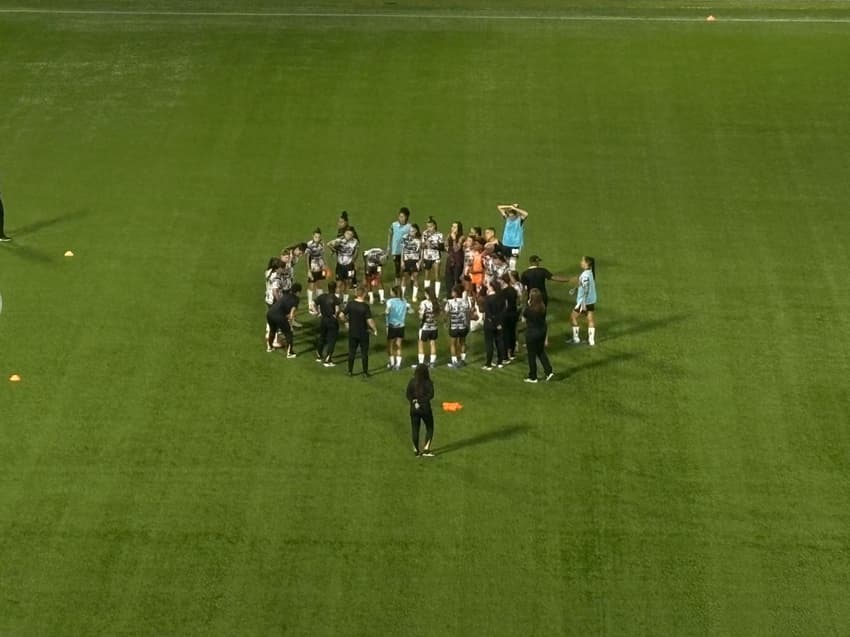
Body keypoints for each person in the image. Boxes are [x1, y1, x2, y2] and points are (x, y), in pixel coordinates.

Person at [343, 287, 378, 377]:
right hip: (363, 333)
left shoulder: (350, 304)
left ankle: (350, 371)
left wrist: (346, 322)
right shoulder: (365, 306)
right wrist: (374, 329)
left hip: (352, 332)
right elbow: (369, 320)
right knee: (364, 353)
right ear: (363, 294)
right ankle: (365, 372)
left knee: (352, 352)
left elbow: (342, 314)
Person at [523, 288, 555, 383]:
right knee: (540, 352)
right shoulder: (543, 307)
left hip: (532, 333)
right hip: (542, 331)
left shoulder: (529, 310)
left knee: (531, 355)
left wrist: (527, 304)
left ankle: (533, 376)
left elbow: (524, 318)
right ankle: (549, 371)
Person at [406, 364, 435, 457]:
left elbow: (408, 394)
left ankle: (416, 450)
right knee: (430, 427)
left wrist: (414, 401)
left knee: (415, 429)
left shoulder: (412, 382)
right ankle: (426, 449)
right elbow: (431, 395)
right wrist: (421, 401)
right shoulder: (428, 382)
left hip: (413, 409)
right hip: (425, 409)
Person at [266, 283, 302, 356]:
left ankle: (269, 347)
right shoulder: (296, 299)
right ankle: (290, 353)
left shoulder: (285, 294)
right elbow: (292, 313)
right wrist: (291, 324)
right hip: (279, 316)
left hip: (270, 313)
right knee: (289, 333)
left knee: (273, 330)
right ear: (298, 292)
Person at [570, 256, 598, 346]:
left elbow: (586, 287)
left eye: (582, 261)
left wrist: (583, 302)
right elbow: (583, 284)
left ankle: (576, 338)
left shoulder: (585, 275)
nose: (581, 262)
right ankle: (591, 340)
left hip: (583, 301)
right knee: (590, 319)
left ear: (587, 263)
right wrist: (575, 288)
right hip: (591, 300)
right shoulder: (590, 273)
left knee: (573, 317)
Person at [445, 283, 475, 368]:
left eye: (452, 291)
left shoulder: (449, 302)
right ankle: (462, 360)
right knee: (463, 343)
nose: (451, 293)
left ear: (455, 292)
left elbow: (446, 313)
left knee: (453, 344)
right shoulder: (465, 302)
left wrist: (446, 321)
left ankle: (454, 362)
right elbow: (468, 313)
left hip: (454, 326)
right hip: (463, 326)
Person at [314, 281, 342, 367]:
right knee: (331, 340)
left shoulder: (322, 296)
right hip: (332, 321)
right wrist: (336, 316)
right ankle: (328, 360)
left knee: (322, 337)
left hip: (323, 319)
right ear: (335, 288)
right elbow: (337, 310)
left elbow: (313, 303)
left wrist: (317, 312)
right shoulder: (335, 298)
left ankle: (319, 355)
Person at [480, 280, 507, 370]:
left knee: (489, 344)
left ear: (492, 287)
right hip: (500, 323)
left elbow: (488, 313)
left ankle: (488, 364)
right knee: (499, 342)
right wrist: (499, 323)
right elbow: (503, 311)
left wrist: (494, 322)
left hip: (489, 324)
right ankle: (500, 362)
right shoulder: (502, 298)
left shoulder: (487, 299)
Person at [327, 227, 359, 303]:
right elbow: (328, 244)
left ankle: (345, 300)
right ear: (344, 234)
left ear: (353, 235)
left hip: (349, 265)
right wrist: (335, 250)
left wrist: (353, 261)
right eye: (347, 233)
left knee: (348, 283)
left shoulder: (355, 242)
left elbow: (356, 252)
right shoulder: (340, 240)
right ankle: (336, 300)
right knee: (339, 283)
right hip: (340, 265)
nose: (348, 235)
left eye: (350, 234)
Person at [385, 285, 412, 371]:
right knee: (399, 345)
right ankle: (398, 365)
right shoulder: (404, 301)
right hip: (401, 326)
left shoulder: (390, 301)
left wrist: (387, 312)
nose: (390, 292)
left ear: (394, 292)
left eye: (391, 291)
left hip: (392, 326)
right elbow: (410, 309)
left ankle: (392, 363)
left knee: (390, 345)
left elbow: (387, 310)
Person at [497, 203, 529, 270]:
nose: (511, 216)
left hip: (515, 245)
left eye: (512, 215)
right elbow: (499, 207)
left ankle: (512, 272)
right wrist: (510, 206)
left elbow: (526, 213)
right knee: (507, 260)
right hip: (507, 244)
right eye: (510, 214)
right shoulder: (507, 218)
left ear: (516, 214)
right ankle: (508, 272)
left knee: (513, 259)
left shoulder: (520, 220)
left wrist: (514, 208)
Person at [420, 216, 445, 299]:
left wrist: (433, 246)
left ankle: (436, 295)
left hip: (436, 257)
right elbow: (422, 246)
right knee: (427, 276)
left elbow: (441, 247)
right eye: (427, 226)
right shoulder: (424, 234)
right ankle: (426, 294)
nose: (429, 228)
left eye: (430, 226)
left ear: (434, 226)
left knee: (437, 276)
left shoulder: (439, 235)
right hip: (427, 257)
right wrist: (425, 244)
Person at [387, 207, 411, 288]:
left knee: (405, 268)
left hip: (405, 251)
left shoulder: (409, 227)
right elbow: (390, 234)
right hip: (396, 250)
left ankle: (406, 283)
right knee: (397, 268)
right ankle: (397, 285)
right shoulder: (394, 224)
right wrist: (388, 246)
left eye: (402, 216)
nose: (400, 218)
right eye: (399, 216)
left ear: (407, 217)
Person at [416, 288, 439, 368]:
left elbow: (421, 316)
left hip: (425, 327)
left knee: (421, 343)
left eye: (425, 294)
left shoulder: (424, 303)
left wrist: (419, 314)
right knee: (432, 343)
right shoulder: (436, 302)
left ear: (428, 294)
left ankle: (421, 363)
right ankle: (432, 363)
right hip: (434, 327)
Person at [304, 228, 327, 311]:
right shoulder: (309, 244)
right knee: (311, 285)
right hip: (313, 267)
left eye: (318, 237)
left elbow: (322, 255)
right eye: (316, 236)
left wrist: (325, 265)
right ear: (313, 236)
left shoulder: (322, 244)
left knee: (319, 284)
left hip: (320, 267)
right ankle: (310, 304)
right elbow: (307, 258)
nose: (317, 238)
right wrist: (309, 270)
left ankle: (319, 302)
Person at [499, 272, 519, 361]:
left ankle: (505, 356)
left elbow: (502, 305)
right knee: (512, 333)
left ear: (503, 281)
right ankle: (512, 353)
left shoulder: (503, 292)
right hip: (514, 314)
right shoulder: (514, 290)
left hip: (505, 315)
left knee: (505, 335)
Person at [400, 224, 422, 301]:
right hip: (406, 260)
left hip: (415, 260)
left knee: (415, 277)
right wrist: (402, 261)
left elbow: (421, 251)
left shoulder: (419, 239)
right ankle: (402, 296)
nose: (411, 232)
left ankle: (414, 296)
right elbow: (402, 250)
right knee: (404, 277)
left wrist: (420, 261)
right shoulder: (405, 237)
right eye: (410, 231)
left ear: (416, 231)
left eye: (412, 231)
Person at [443, 221, 465, 296]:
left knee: (456, 279)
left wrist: (454, 239)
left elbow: (456, 249)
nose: (453, 228)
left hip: (458, 261)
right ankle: (449, 295)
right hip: (450, 260)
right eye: (452, 226)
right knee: (448, 279)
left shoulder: (462, 237)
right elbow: (445, 247)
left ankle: (457, 295)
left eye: (455, 227)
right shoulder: (449, 235)